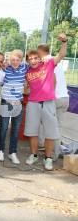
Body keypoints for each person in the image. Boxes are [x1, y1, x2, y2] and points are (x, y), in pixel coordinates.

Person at [24, 34, 68, 171]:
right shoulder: (27, 71)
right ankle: (34, 154)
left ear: (39, 57)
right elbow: (26, 87)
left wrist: (64, 42)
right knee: (32, 132)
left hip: (48, 102)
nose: (33, 60)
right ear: (28, 61)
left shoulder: (48, 64)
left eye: (35, 57)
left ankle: (48, 158)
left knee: (50, 132)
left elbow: (61, 55)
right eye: (30, 58)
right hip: (33, 103)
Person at [36, 44, 70, 160]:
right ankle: (54, 153)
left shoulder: (46, 61)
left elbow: (51, 81)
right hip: (65, 98)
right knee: (57, 127)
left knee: (42, 123)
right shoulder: (55, 60)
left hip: (53, 99)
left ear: (41, 52)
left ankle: (44, 148)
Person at [0, 49, 28, 164]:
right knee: (4, 127)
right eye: (13, 60)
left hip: (18, 103)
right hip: (6, 102)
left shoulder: (25, 68)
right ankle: (0, 150)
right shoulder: (6, 69)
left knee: (15, 129)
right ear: (10, 60)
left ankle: (12, 153)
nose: (15, 62)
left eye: (17, 59)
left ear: (21, 60)